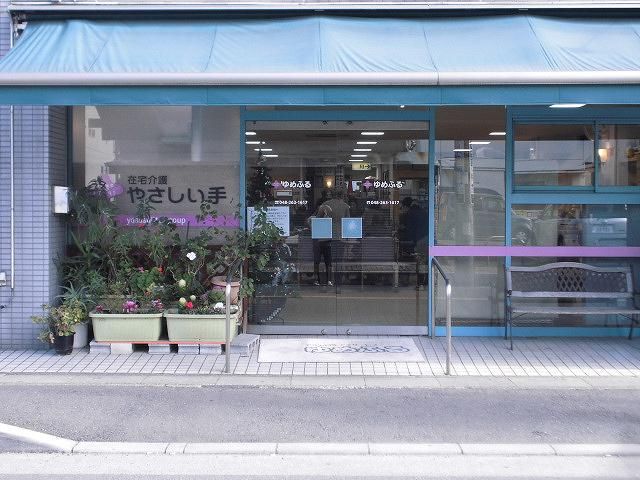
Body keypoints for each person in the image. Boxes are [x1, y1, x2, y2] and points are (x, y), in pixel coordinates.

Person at [309, 204, 333, 286]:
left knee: (328, 262)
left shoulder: (328, 220)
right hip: (318, 243)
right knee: (317, 262)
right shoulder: (313, 219)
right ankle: (317, 279)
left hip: (326, 243)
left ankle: (328, 280)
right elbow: (310, 224)